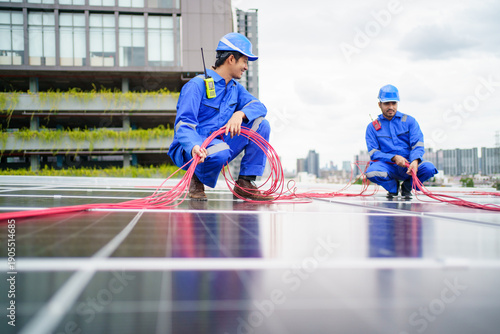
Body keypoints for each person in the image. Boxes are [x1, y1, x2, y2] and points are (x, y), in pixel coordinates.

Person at [168, 32, 272, 201]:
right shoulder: (196, 85)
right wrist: (194, 145)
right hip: (191, 148)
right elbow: (183, 124)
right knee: (220, 150)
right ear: (231, 59)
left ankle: (245, 183)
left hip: (219, 145)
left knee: (261, 125)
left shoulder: (234, 89)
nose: (246, 67)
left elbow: (259, 107)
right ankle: (195, 177)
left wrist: (240, 114)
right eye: (244, 61)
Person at [365, 84, 438, 199]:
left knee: (429, 169)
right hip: (387, 166)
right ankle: (393, 187)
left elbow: (418, 144)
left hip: (409, 165)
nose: (391, 107)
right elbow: (374, 152)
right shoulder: (372, 128)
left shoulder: (410, 122)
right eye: (387, 103)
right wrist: (393, 157)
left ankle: (407, 187)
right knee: (371, 172)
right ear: (379, 104)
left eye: (393, 103)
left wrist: (415, 160)